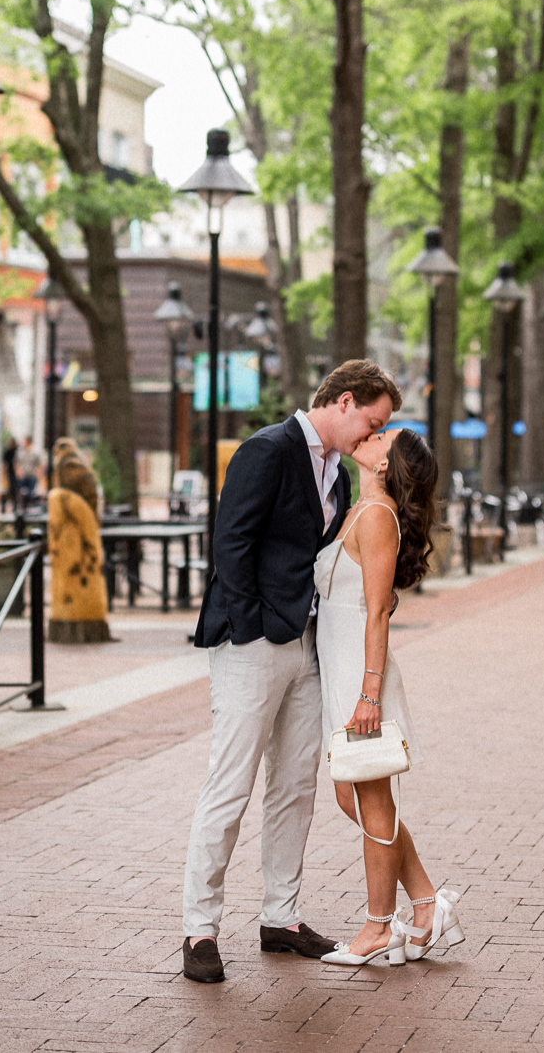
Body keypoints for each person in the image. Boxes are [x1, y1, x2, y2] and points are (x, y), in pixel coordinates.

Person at [180, 359, 402, 984]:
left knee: (295, 787)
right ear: (345, 401)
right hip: (253, 644)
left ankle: (281, 915)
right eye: (374, 422)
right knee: (231, 784)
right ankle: (200, 927)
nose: (374, 436)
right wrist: (253, 626)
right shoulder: (268, 449)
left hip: (306, 650)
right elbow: (231, 545)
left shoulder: (335, 471)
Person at [315, 427, 465, 966]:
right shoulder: (361, 510)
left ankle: (380, 925)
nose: (369, 434)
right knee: (349, 797)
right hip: (341, 671)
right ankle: (426, 903)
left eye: (382, 435)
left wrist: (369, 694)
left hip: (362, 676)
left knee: (373, 801)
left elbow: (376, 612)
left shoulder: (377, 518)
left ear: (384, 465)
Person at [15, 436, 43, 503]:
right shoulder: (20, 453)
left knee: (31, 493)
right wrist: (18, 472)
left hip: (32, 475)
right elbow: (17, 463)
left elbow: (39, 465)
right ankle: (22, 506)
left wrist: (38, 474)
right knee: (22, 492)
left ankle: (29, 506)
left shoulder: (35, 453)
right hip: (23, 475)